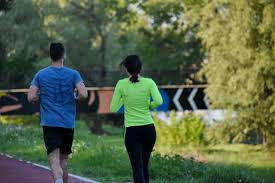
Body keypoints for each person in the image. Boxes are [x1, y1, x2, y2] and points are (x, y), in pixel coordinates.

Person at [27, 42, 88, 183]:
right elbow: (84, 94)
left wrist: (39, 96)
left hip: (50, 123)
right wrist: (76, 97)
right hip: (67, 123)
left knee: (54, 161)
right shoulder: (73, 74)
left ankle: (58, 181)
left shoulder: (40, 74)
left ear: (50, 56)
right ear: (63, 55)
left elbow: (30, 97)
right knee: (64, 161)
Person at [110, 55, 163, 183]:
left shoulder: (121, 84)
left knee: (137, 167)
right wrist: (148, 105)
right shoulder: (149, 82)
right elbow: (159, 101)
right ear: (140, 68)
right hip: (149, 130)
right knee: (144, 165)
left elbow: (113, 108)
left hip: (132, 131)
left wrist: (125, 98)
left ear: (127, 69)